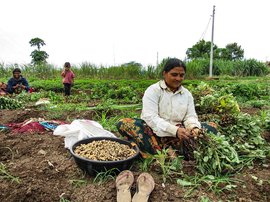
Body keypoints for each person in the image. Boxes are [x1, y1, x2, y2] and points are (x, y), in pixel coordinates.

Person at [117, 58, 217, 160]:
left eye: (181, 75)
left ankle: (167, 153)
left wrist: (193, 128)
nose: (178, 78)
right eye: (174, 74)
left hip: (180, 133)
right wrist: (174, 130)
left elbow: (190, 116)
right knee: (125, 123)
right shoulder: (153, 91)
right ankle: (164, 153)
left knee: (211, 127)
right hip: (154, 132)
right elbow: (150, 117)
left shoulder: (186, 94)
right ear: (165, 73)